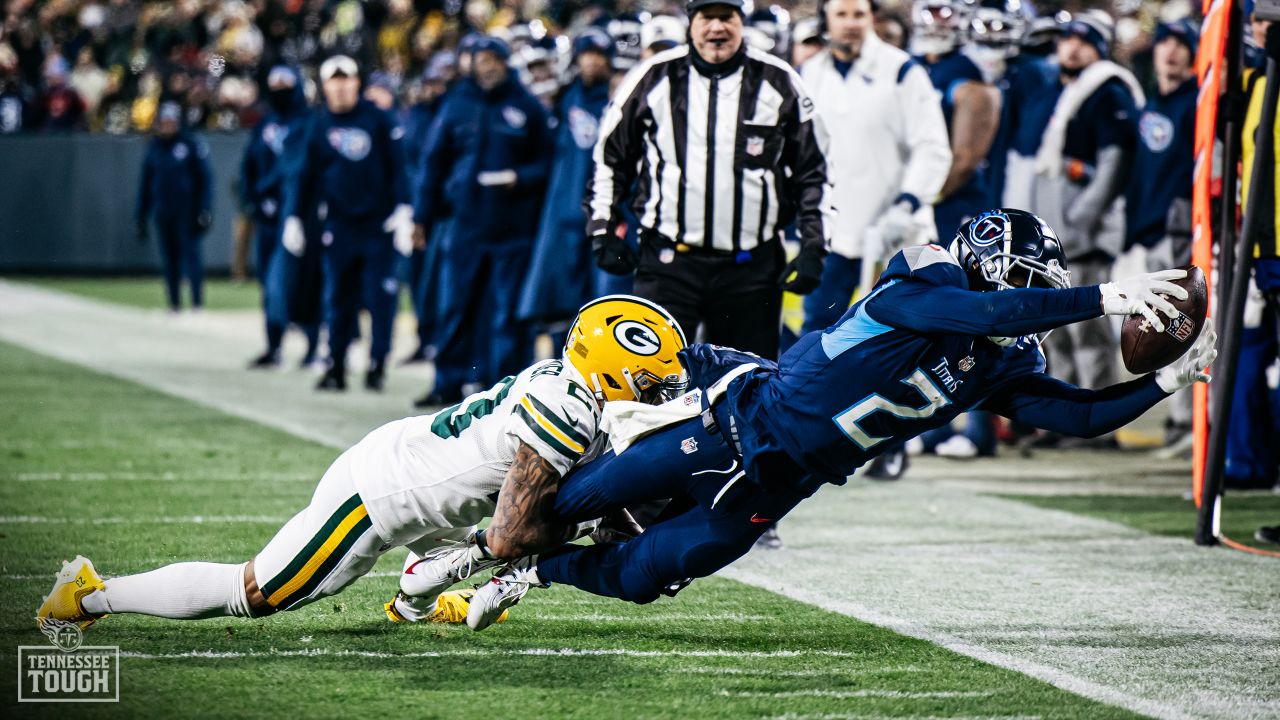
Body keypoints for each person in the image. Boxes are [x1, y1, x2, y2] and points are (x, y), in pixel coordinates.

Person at [453, 209, 1218, 629]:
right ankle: (459, 548)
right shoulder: (927, 278)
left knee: (651, 574)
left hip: (784, 481)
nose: (1029, 303)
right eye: (1023, 281)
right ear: (985, 262)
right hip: (733, 420)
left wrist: (1166, 383)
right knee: (574, 501)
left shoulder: (1002, 360)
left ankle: (533, 573)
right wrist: (1101, 297)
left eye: (1037, 290)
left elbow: (1076, 419)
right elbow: (978, 309)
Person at [36, 297, 688, 630]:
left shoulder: (583, 395)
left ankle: (415, 599)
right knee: (257, 593)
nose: (662, 392)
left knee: (514, 531)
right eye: (650, 381)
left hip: (430, 472)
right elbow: (512, 534)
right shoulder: (569, 406)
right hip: (380, 496)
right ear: (608, 371)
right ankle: (91, 593)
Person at [587, 0, 834, 365]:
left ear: (741, 21)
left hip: (751, 268)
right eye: (707, 17)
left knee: (747, 387)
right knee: (652, 380)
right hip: (669, 263)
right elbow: (610, 158)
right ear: (691, 22)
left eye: (726, 17)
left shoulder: (780, 81)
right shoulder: (652, 77)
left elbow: (814, 171)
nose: (716, 28)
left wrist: (815, 245)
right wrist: (602, 229)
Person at [412, 36, 554, 407]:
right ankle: (448, 383)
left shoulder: (527, 107)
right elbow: (433, 162)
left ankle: (504, 391)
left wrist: (519, 177)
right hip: (465, 227)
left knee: (507, 315)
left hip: (514, 231)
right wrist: (420, 217)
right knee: (455, 308)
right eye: (481, 59)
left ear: (507, 63)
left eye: (495, 59)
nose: (487, 66)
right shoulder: (456, 104)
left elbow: (548, 166)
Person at [798, 0, 950, 337]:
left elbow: (933, 147)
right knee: (818, 336)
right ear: (826, 21)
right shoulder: (810, 74)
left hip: (896, 233)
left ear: (871, 18)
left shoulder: (902, 71)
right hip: (833, 234)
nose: (850, 23)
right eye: (841, 14)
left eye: (859, 14)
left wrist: (908, 203)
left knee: (898, 337)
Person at [1028, 10, 1142, 442]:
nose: (1071, 47)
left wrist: (1080, 220)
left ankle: (1097, 423)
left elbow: (1115, 163)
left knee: (1087, 332)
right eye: (1067, 39)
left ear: (1100, 47)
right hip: (1058, 235)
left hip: (1083, 236)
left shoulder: (1107, 90)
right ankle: (1063, 419)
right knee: (1052, 335)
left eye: (1084, 40)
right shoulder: (1067, 90)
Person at [282, 55, 414, 392]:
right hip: (339, 227)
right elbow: (307, 175)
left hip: (378, 227)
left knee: (380, 299)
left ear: (356, 82)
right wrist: (295, 216)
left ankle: (376, 364)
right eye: (333, 81)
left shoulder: (378, 119)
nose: (340, 87)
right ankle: (336, 365)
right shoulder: (321, 122)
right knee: (337, 300)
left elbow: (398, 167)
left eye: (346, 79)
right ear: (325, 86)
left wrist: (403, 210)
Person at [518, 28, 629, 342]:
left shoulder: (620, 97)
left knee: (603, 303)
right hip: (563, 210)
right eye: (586, 54)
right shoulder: (564, 96)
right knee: (559, 301)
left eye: (598, 55)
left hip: (606, 213)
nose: (592, 62)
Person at [1121, 19, 1199, 448]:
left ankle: (1188, 422)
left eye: (1180, 44)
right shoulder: (1154, 103)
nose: (1170, 51)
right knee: (1157, 328)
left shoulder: (1195, 103)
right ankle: (1177, 420)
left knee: (1179, 328)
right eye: (1164, 42)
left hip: (1177, 230)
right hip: (1150, 232)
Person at [1227, 7, 1280, 491]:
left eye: (1271, 15)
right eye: (1257, 17)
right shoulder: (1258, 79)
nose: (1261, 26)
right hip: (1266, 247)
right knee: (1247, 355)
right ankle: (1250, 464)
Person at [242, 65, 321, 369]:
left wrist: (296, 208)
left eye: (285, 83)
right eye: (274, 83)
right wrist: (255, 201)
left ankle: (314, 347)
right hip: (268, 218)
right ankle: (273, 346)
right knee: (268, 282)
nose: (279, 88)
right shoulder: (266, 124)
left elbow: (301, 170)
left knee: (303, 281)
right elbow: (249, 166)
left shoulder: (310, 122)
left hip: (299, 215)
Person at [910, 0, 1002, 243]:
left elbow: (966, 158)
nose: (939, 20)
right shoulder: (912, 64)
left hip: (951, 196)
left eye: (946, 12)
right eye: (932, 11)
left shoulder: (969, 67)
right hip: (915, 189)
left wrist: (922, 195)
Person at [400, 52, 457, 366]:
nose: (434, 88)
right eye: (431, 82)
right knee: (419, 281)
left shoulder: (451, 113)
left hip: (445, 213)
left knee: (441, 283)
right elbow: (409, 166)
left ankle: (437, 341)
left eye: (440, 82)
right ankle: (425, 339)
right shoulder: (416, 116)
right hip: (419, 210)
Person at [135, 101, 212, 312]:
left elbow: (204, 180)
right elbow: (146, 184)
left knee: (191, 256)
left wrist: (205, 209)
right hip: (163, 211)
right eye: (164, 122)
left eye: (171, 121)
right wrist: (141, 215)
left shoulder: (190, 144)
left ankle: (197, 304)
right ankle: (174, 303)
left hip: (187, 211)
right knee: (170, 259)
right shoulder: (154, 148)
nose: (168, 126)